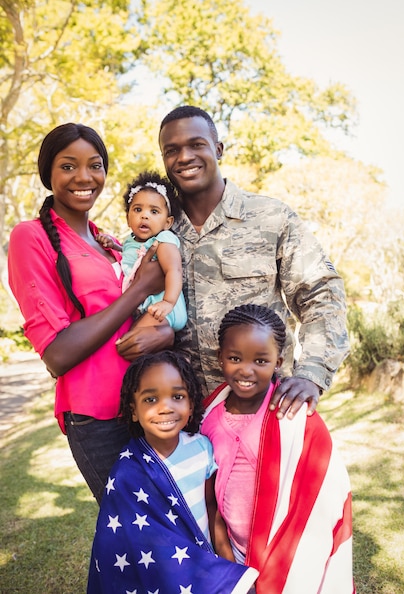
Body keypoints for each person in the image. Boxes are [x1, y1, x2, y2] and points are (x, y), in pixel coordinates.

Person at [148, 104, 350, 419]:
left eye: (196, 145)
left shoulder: (271, 218)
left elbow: (320, 294)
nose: (184, 156)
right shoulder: (155, 233)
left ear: (218, 149)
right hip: (181, 420)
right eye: (171, 150)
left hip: (266, 411)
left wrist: (312, 372)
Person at [7, 123, 172, 504]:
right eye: (68, 166)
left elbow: (135, 322)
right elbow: (57, 354)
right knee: (141, 533)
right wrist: (139, 290)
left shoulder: (111, 243)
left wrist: (161, 333)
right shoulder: (31, 237)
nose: (84, 177)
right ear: (47, 173)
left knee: (172, 530)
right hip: (97, 416)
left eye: (94, 165)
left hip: (146, 403)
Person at [201, 304, 355, 593]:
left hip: (287, 552)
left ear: (278, 362)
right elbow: (210, 500)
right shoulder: (208, 417)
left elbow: (321, 493)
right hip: (232, 551)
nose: (246, 370)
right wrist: (227, 560)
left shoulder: (292, 418)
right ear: (220, 359)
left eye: (261, 361)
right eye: (235, 358)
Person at [87, 350, 259, 594]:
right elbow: (129, 541)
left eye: (177, 396)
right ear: (133, 410)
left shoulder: (202, 448)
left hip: (203, 563)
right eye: (150, 400)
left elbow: (212, 509)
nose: (165, 408)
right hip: (164, 571)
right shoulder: (127, 472)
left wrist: (227, 565)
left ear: (190, 404)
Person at [96, 170, 187, 333]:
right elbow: (132, 255)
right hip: (147, 307)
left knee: (129, 341)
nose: (144, 216)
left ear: (167, 222)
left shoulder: (163, 240)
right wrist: (114, 246)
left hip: (165, 309)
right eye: (138, 210)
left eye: (154, 211)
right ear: (127, 218)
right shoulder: (131, 240)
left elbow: (174, 270)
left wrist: (168, 302)